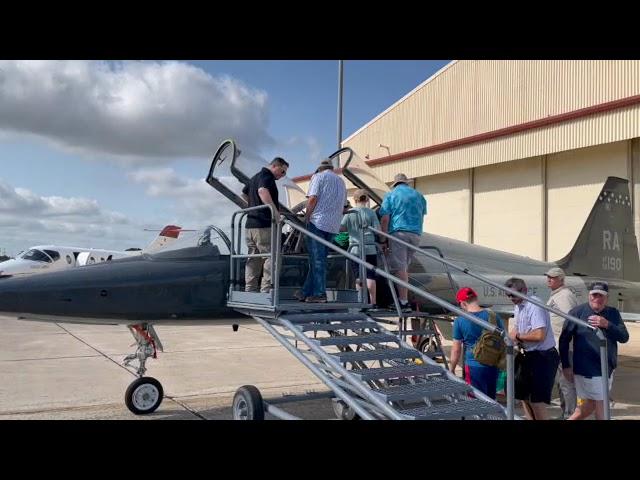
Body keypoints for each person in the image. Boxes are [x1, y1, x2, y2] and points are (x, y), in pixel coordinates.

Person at [560, 281, 629, 420]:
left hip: (607, 368)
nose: (597, 298)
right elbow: (564, 340)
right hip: (588, 370)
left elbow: (624, 337)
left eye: (601, 296)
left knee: (587, 406)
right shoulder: (577, 312)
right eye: (594, 295)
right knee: (602, 406)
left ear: (607, 298)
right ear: (589, 296)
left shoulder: (613, 313)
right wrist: (566, 366)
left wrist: (607, 324)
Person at [506, 277, 559, 420]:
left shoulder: (534, 305)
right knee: (524, 396)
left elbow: (539, 335)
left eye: (514, 295)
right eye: (508, 295)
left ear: (524, 291)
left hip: (543, 356)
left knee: (537, 401)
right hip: (528, 354)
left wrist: (517, 336)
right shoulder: (518, 306)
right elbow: (516, 329)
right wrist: (511, 337)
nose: (511, 298)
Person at [299, 159, 347, 303]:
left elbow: (312, 199)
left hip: (318, 223)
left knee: (317, 260)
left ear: (319, 169)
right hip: (333, 226)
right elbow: (344, 206)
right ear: (331, 168)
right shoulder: (341, 181)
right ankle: (305, 291)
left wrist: (307, 216)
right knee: (319, 260)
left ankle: (320, 294)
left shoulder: (318, 177)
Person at [379, 173, 426, 312]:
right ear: (406, 183)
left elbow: (385, 219)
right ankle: (403, 298)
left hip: (399, 233)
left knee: (399, 268)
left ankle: (403, 302)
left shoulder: (391, 195)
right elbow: (422, 216)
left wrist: (383, 239)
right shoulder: (419, 196)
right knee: (404, 267)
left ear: (395, 184)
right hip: (416, 234)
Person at [242, 157, 289, 293]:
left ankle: (250, 289)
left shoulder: (255, 177)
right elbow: (262, 191)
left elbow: (244, 194)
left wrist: (253, 207)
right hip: (263, 225)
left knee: (253, 258)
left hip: (250, 225)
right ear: (274, 166)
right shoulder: (266, 176)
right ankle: (266, 291)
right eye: (282, 171)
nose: (282, 175)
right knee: (272, 257)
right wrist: (274, 212)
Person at [450, 287, 504, 399]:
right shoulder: (493, 316)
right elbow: (503, 339)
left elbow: (456, 350)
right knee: (490, 399)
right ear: (476, 298)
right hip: (492, 364)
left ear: (463, 303)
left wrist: (452, 369)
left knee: (475, 400)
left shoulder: (459, 321)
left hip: (473, 365)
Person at [545, 267, 579, 419]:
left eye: (552, 277)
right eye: (548, 277)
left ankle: (570, 414)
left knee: (567, 383)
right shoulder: (557, 295)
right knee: (561, 383)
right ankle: (566, 411)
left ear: (561, 279)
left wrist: (567, 345)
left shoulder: (564, 296)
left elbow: (571, 321)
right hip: (557, 346)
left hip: (565, 347)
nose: (549, 279)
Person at [339, 189, 381, 306]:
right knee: (370, 276)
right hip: (370, 248)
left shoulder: (350, 213)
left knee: (358, 276)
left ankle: (361, 301)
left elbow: (341, 229)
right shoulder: (371, 213)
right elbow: (378, 231)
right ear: (367, 199)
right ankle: (373, 302)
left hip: (355, 248)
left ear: (355, 199)